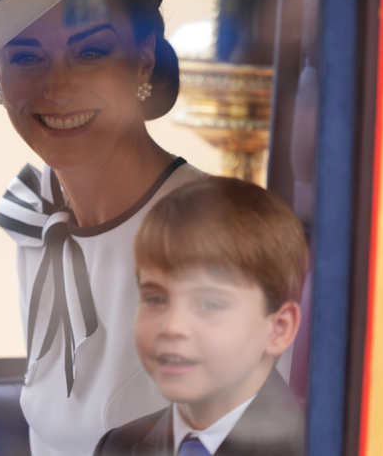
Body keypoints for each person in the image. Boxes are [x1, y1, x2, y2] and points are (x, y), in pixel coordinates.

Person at [0, 0, 206, 455]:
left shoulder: (213, 232)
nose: (58, 86)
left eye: (90, 53)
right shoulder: (36, 216)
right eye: (26, 57)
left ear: (143, 60)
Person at [94, 176, 307, 456]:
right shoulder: (118, 446)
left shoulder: (320, 446)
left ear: (279, 329)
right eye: (155, 298)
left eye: (209, 303)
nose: (172, 326)